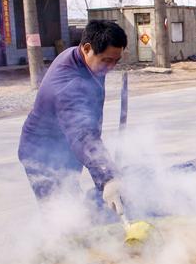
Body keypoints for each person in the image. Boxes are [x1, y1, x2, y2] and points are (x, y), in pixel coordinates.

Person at [18, 19, 127, 217]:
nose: (111, 67)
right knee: (59, 213)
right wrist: (108, 177)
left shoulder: (82, 59)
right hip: (42, 153)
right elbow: (82, 135)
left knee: (72, 201)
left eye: (115, 61)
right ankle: (55, 244)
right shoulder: (69, 85)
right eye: (106, 60)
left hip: (66, 148)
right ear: (87, 48)